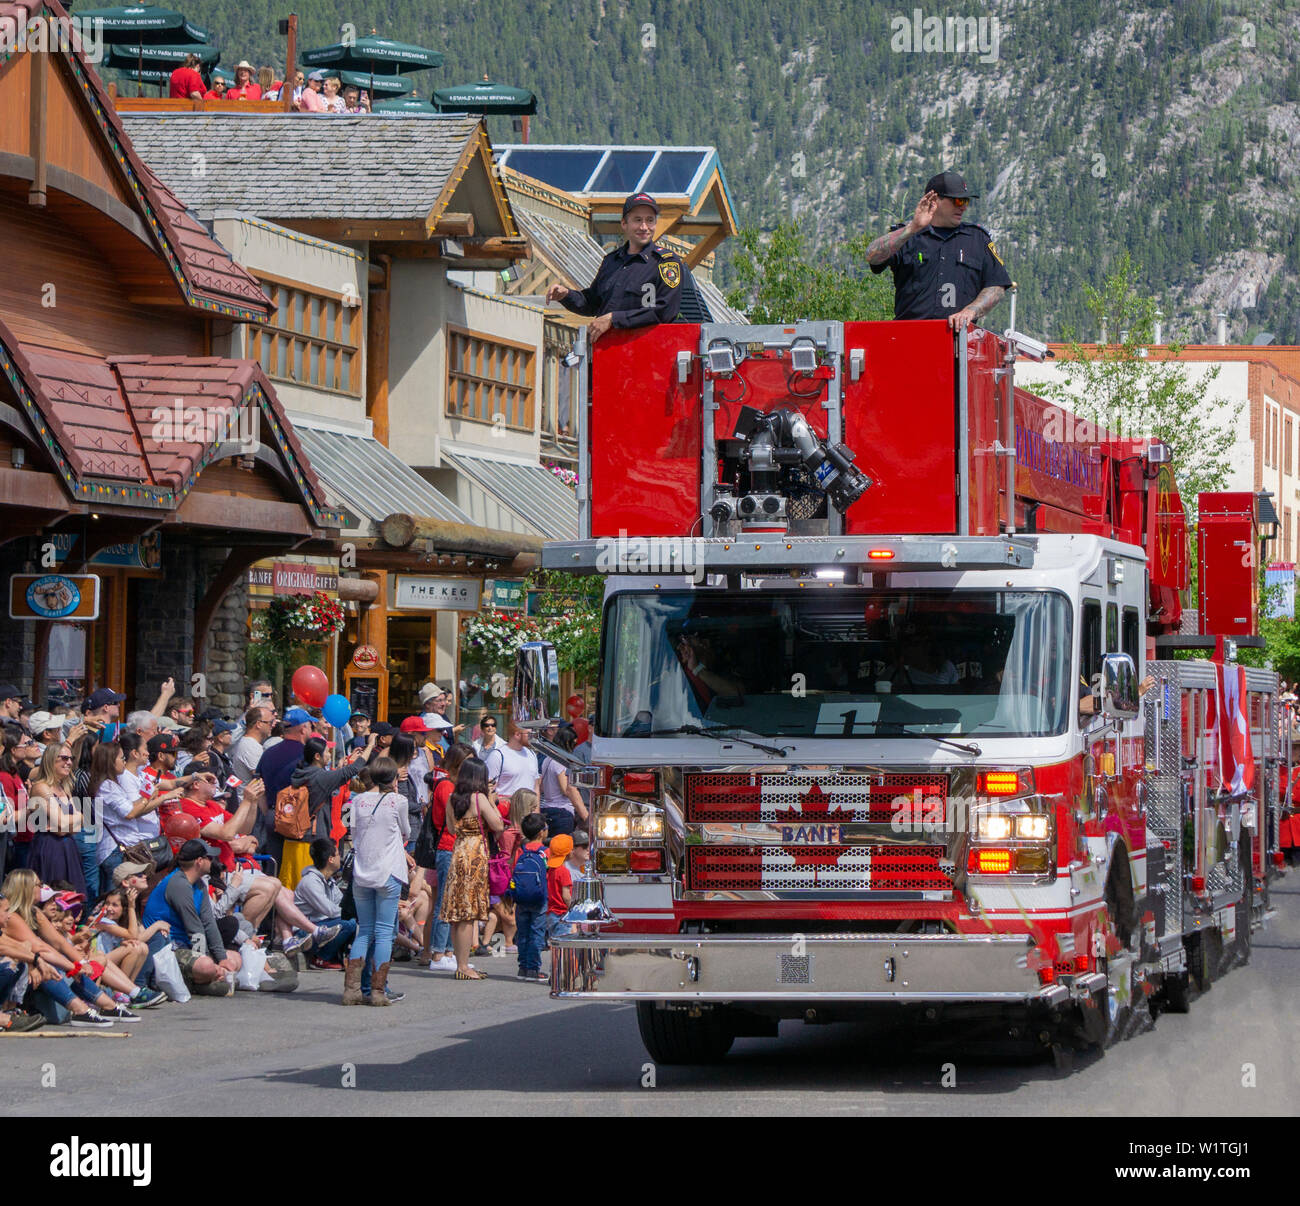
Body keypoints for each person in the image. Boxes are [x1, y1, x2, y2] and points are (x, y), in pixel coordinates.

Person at [867, 170, 1012, 332]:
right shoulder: (907, 237)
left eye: (966, 201)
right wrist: (912, 228)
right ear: (935, 200)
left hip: (958, 340)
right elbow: (872, 256)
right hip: (908, 338)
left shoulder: (978, 239)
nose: (963, 207)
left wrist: (971, 310)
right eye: (958, 201)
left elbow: (997, 287)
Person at [546, 192, 683, 342]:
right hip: (607, 354)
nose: (644, 227)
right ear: (624, 223)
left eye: (650, 220)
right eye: (637, 220)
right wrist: (566, 295)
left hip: (648, 353)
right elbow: (592, 303)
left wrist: (614, 319)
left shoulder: (665, 263)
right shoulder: (611, 262)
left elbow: (665, 311)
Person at [343, 757, 410, 1005]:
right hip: (388, 871)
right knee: (383, 932)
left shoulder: (357, 800)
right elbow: (406, 832)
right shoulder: (398, 801)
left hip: (362, 871)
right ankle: (378, 991)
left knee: (364, 930)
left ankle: (351, 990)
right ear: (393, 779)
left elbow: (352, 832)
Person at [141, 840, 241, 993]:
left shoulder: (199, 884)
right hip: (168, 948)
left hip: (187, 945)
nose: (213, 861)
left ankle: (205, 980)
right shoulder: (178, 884)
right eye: (210, 858)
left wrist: (222, 959)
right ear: (199, 862)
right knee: (206, 966)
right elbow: (194, 928)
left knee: (235, 959)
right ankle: (197, 982)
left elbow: (209, 923)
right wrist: (207, 960)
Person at [438, 755, 503, 980]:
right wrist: (492, 801)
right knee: (467, 914)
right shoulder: (479, 798)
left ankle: (461, 963)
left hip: (458, 852)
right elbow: (498, 825)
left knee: (458, 913)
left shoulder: (452, 798)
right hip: (475, 855)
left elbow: (450, 828)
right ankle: (463, 966)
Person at [285, 733, 373, 887]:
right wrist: (371, 745)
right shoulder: (320, 777)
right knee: (309, 888)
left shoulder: (300, 773)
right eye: (326, 752)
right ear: (317, 756)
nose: (329, 754)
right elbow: (354, 769)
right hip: (311, 841)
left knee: (292, 888)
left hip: (293, 840)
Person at [421, 742, 473, 971]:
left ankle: (450, 952)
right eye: (465, 762)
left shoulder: (458, 786)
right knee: (444, 902)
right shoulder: (445, 786)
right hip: (448, 847)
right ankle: (438, 954)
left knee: (455, 903)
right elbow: (455, 820)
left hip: (458, 848)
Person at [25, 742, 87, 906]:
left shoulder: (64, 787)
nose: (69, 762)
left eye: (71, 758)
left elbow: (74, 826)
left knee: (72, 899)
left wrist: (69, 823)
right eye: (64, 758)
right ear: (51, 760)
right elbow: (61, 822)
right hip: (49, 848)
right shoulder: (41, 787)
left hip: (68, 847)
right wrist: (76, 817)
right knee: (53, 899)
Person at [294, 839, 356, 969]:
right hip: (306, 930)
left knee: (355, 920)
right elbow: (330, 910)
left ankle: (346, 956)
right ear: (331, 859)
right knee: (349, 923)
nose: (341, 858)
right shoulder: (310, 882)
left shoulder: (330, 881)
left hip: (324, 924)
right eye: (338, 854)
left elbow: (340, 902)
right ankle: (321, 958)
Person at [511, 812, 549, 983]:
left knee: (523, 933)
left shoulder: (521, 850)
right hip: (539, 898)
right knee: (536, 933)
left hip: (521, 898)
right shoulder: (545, 852)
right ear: (542, 832)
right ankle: (533, 969)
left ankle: (523, 967)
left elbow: (514, 872)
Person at [538, 724, 589, 839]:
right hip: (562, 812)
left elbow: (541, 787)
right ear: (567, 743)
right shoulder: (561, 762)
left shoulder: (547, 759)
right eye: (573, 743)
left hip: (547, 807)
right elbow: (565, 789)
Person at [495, 722, 540, 803]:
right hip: (508, 811)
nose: (532, 737)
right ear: (517, 734)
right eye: (529, 734)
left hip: (529, 810)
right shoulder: (498, 755)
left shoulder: (532, 754)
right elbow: (489, 789)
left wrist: (536, 812)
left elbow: (536, 787)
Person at [545, 833, 574, 947]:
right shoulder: (564, 871)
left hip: (551, 913)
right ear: (568, 853)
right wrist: (573, 909)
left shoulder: (551, 869)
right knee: (563, 946)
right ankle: (561, 965)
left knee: (555, 944)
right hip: (562, 914)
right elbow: (566, 896)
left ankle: (556, 964)